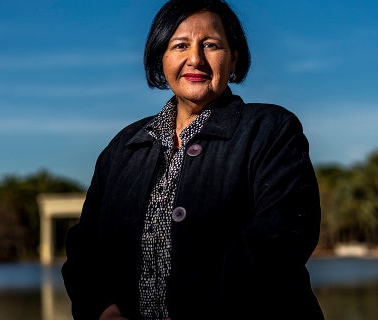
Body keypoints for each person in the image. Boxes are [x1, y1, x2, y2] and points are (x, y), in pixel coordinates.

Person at [61, 0, 325, 319]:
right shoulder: (122, 148)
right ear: (161, 59)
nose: (195, 59)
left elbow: (282, 236)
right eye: (180, 45)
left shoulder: (270, 130)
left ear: (234, 59)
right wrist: (102, 308)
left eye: (211, 45)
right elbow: (85, 249)